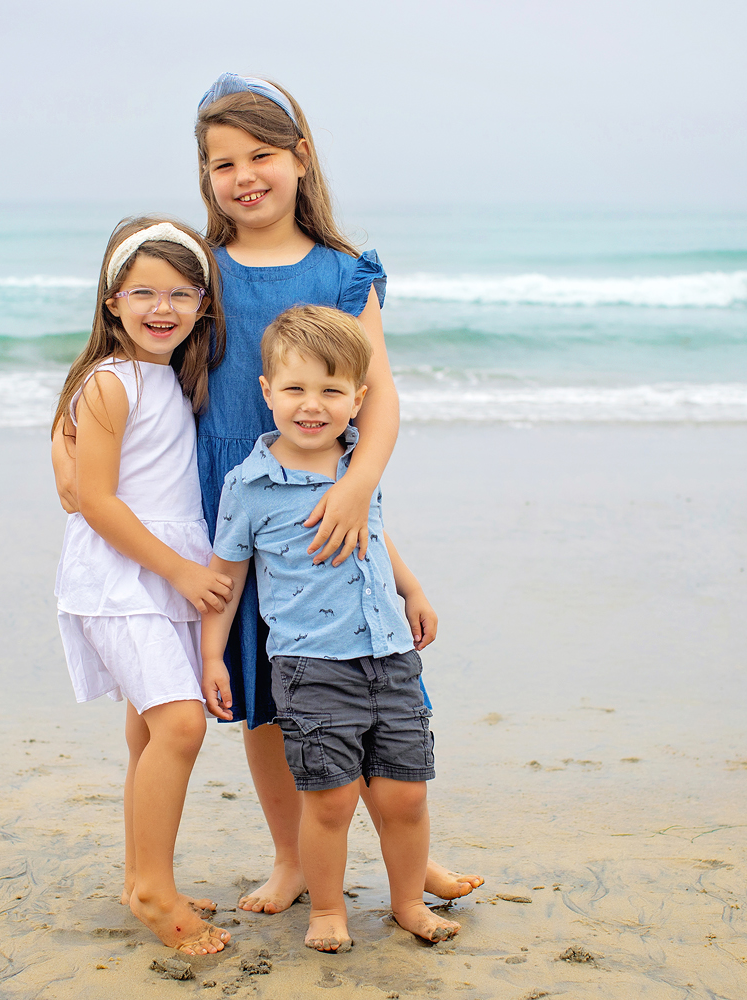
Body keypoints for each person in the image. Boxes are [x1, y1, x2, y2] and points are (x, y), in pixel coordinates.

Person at [193, 71, 484, 914]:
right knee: (271, 687)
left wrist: (357, 487)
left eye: (262, 154)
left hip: (330, 493)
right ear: (206, 177)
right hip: (238, 494)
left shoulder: (346, 271)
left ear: (301, 157)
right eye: (222, 163)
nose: (245, 175)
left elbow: (383, 395)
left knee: (368, 671)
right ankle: (291, 857)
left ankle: (408, 853)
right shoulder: (201, 267)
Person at [201, 305, 460, 952]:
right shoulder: (250, 486)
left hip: (390, 654)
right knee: (332, 801)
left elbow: (374, 534)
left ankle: (407, 903)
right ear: (266, 393)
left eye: (331, 391)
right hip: (311, 667)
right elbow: (226, 579)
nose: (311, 406)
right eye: (294, 389)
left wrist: (414, 587)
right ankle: (326, 911)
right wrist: (212, 657)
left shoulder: (357, 466)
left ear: (357, 399)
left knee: (405, 795)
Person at [49, 215, 233, 955]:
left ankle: (140, 875)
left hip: (158, 572)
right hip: (120, 578)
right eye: (145, 291)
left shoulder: (169, 379)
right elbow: (94, 500)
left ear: (201, 305)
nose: (164, 307)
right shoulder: (109, 381)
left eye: (182, 293)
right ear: (112, 302)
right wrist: (183, 570)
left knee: (148, 730)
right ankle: (156, 888)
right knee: (181, 725)